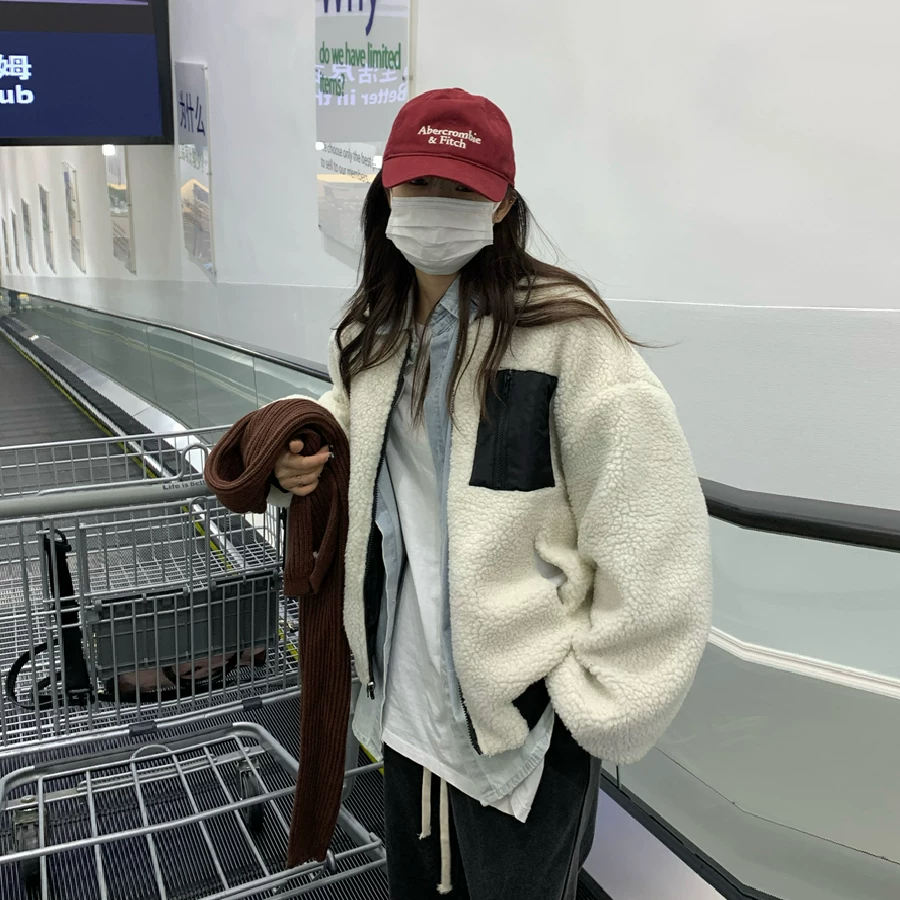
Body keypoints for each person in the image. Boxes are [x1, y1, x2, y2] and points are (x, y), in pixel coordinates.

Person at [269, 88, 712, 899]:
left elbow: (652, 527)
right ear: (387, 191)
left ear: (502, 204)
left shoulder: (566, 338)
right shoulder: (372, 333)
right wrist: (295, 449)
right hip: (405, 704)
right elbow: (358, 424)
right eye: (419, 185)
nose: (436, 206)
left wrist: (594, 704)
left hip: (521, 729)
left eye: (461, 189)